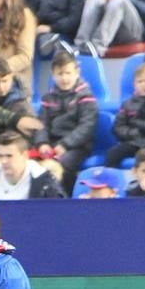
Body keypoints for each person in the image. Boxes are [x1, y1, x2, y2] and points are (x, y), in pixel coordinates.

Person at [33, 51, 98, 191]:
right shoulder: (48, 98)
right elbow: (41, 124)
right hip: (52, 145)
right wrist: (42, 143)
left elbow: (86, 127)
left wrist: (65, 144)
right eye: (60, 74)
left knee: (62, 165)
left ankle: (64, 197)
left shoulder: (86, 97)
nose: (64, 78)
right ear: (53, 74)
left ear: (77, 72)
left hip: (77, 147)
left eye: (68, 73)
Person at [109, 61, 145, 166]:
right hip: (134, 142)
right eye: (139, 81)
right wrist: (133, 133)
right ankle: (110, 181)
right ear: (134, 84)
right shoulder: (128, 104)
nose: (143, 85)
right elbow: (118, 127)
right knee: (113, 154)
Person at [0, 131, 66, 199]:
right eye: (0, 156)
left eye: (9, 156)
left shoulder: (45, 181)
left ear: (25, 155)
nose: (3, 161)